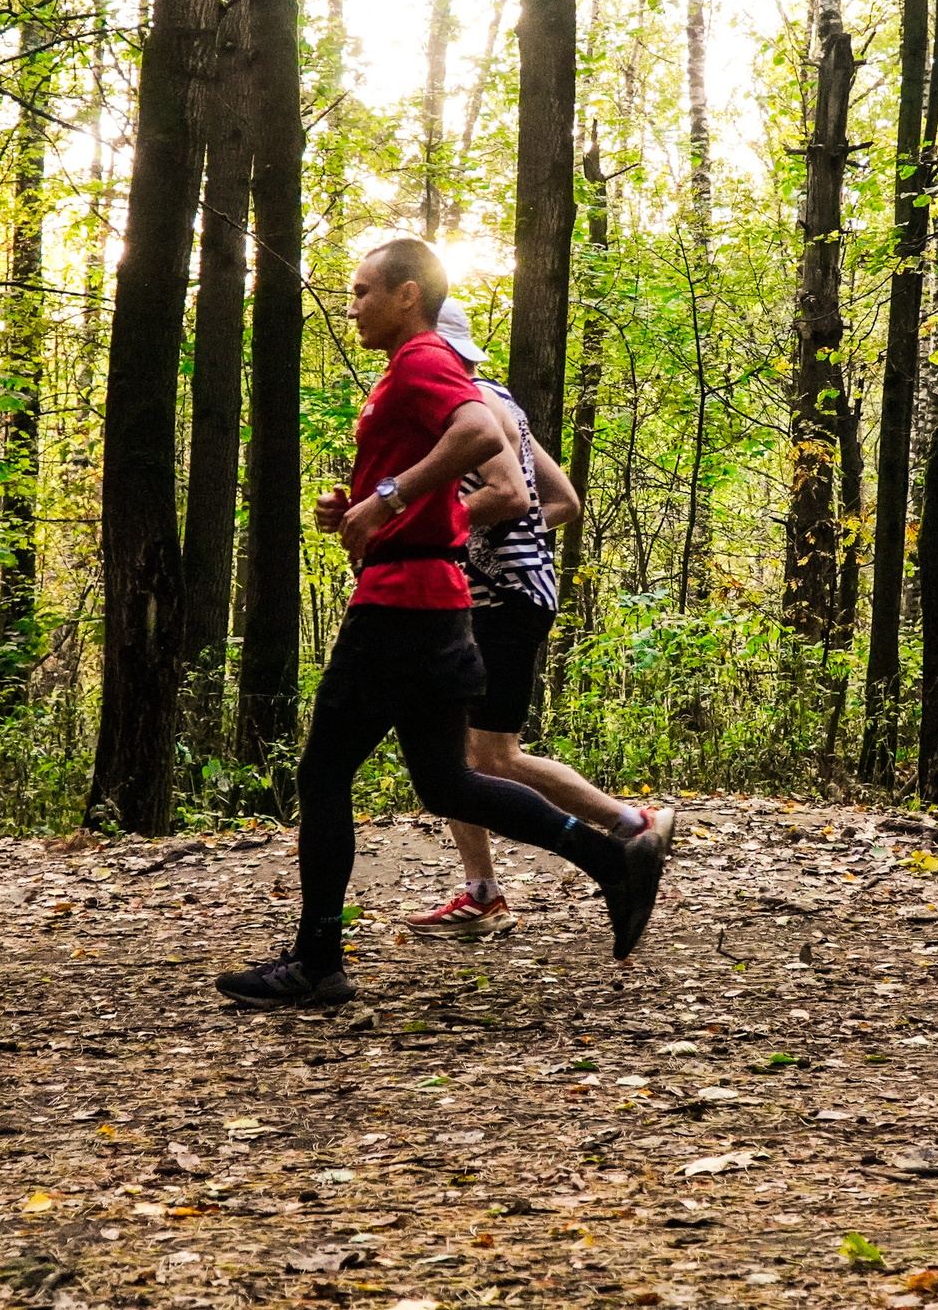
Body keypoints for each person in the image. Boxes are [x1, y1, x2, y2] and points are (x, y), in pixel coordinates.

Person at [214, 238, 675, 1009]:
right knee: (450, 779)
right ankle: (610, 861)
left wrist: (390, 497)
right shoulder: (405, 371)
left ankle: (318, 957)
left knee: (324, 772)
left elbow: (483, 441)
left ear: (407, 294)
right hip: (434, 602)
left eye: (363, 291)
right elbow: (436, 470)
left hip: (401, 607)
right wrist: (356, 505)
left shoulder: (426, 358)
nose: (352, 304)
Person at [403, 298, 669, 939]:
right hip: (504, 594)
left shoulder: (471, 405)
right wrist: (502, 542)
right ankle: (482, 892)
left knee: (489, 754)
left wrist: (459, 538)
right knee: (459, 753)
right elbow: (564, 501)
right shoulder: (500, 401)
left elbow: (518, 497)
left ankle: (632, 826)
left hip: (502, 602)